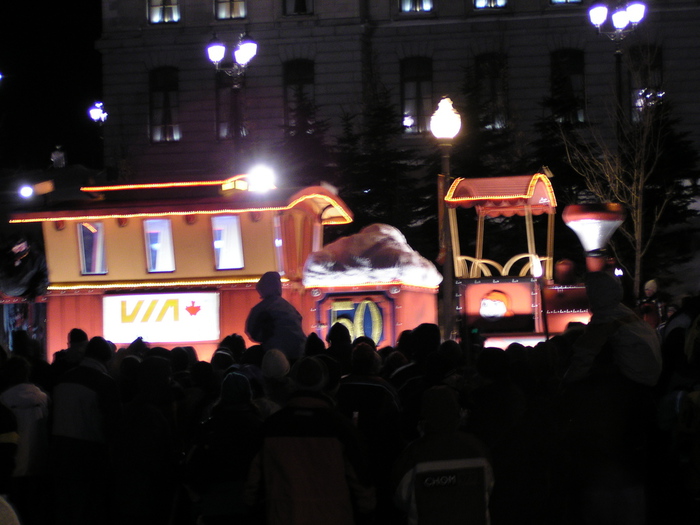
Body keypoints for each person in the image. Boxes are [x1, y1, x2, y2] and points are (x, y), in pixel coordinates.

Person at [244, 356, 375, 525]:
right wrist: (367, 511)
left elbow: (253, 481)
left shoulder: (272, 426)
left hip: (284, 516)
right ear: (325, 383)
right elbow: (361, 479)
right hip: (334, 516)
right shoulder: (341, 428)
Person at [392, 385, 493, 525]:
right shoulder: (477, 448)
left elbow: (400, 497)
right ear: (457, 413)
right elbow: (489, 485)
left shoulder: (413, 453)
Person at [245, 272, 307, 362]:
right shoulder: (289, 307)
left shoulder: (261, 308)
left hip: (275, 355)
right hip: (299, 353)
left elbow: (252, 331)